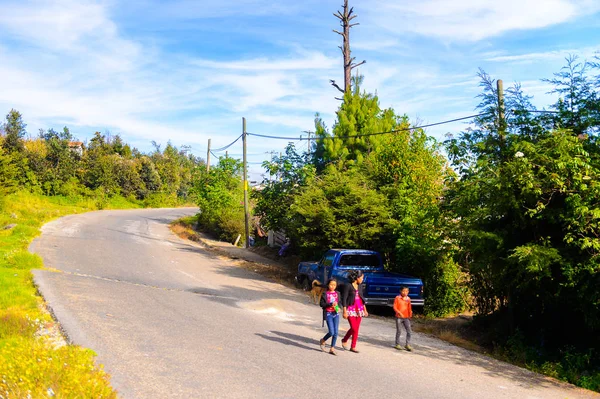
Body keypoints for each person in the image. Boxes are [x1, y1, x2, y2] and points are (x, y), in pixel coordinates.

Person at [341, 270, 368, 353]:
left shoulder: (360, 286)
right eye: (362, 278)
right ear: (357, 278)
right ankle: (345, 339)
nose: (362, 279)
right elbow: (344, 299)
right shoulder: (348, 286)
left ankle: (353, 346)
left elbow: (361, 297)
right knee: (354, 328)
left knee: (356, 328)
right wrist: (344, 311)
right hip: (351, 308)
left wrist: (365, 309)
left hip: (359, 308)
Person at [319, 279, 341, 355]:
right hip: (328, 314)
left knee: (336, 332)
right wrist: (330, 304)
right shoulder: (325, 293)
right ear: (328, 284)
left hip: (336, 314)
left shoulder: (337, 293)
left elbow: (339, 303)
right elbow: (321, 304)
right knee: (331, 332)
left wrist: (339, 308)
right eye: (331, 284)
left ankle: (332, 348)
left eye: (334, 285)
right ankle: (323, 340)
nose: (332, 286)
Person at [393, 286, 413, 351]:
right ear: (400, 291)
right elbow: (394, 307)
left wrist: (410, 314)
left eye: (406, 291)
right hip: (399, 317)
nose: (405, 292)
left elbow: (409, 308)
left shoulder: (408, 299)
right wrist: (399, 312)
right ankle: (397, 344)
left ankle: (407, 344)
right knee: (399, 330)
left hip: (406, 317)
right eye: (403, 291)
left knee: (409, 331)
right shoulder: (397, 298)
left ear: (408, 292)